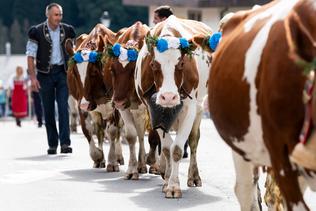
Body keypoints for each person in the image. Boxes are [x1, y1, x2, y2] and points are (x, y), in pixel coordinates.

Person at [26, 3, 75, 155]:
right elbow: (30, 55)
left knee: (63, 108)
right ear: (48, 15)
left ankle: (65, 143)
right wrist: (33, 78)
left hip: (62, 73)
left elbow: (73, 53)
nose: (59, 18)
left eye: (60, 14)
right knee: (48, 110)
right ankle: (53, 144)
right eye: (56, 15)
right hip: (44, 75)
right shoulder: (36, 31)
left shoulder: (67, 30)